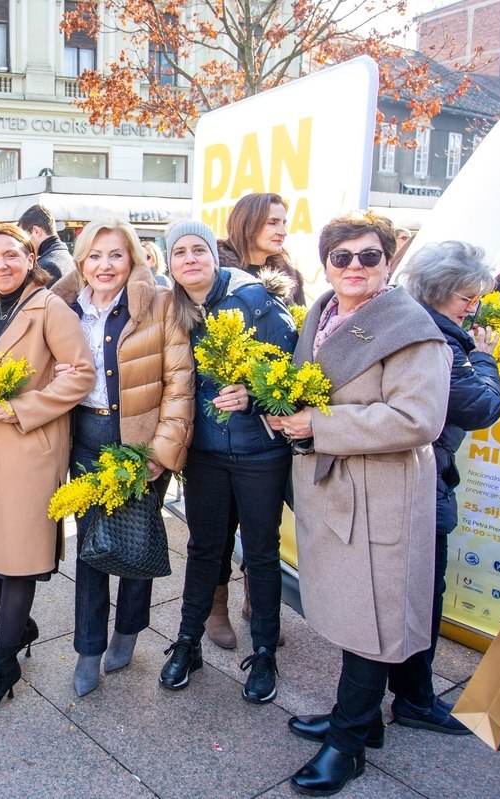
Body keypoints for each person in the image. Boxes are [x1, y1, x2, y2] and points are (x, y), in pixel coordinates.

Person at [267, 211, 452, 796]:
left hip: (382, 494)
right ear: (325, 263)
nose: (354, 267)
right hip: (334, 487)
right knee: (352, 612)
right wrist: (269, 402)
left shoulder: (409, 325)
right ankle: (363, 718)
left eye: (368, 256)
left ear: (388, 262)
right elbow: (310, 385)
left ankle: (347, 745)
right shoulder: (323, 312)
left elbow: (418, 418)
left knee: (373, 617)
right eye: (341, 256)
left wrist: (318, 424)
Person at [0, 223, 95, 715]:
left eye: (11, 255)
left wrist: (22, 407)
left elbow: (81, 373)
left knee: (18, 557)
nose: (1, 265)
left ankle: (2, 665)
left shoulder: (50, 307)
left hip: (29, 447)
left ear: (30, 257)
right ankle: (21, 629)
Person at [50, 219, 193, 697]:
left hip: (140, 440)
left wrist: (162, 451)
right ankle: (88, 650)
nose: (104, 265)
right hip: (86, 440)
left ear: (132, 258)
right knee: (92, 548)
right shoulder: (64, 306)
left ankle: (128, 632)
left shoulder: (161, 303)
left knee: (135, 543)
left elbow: (179, 380)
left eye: (115, 254)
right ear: (81, 261)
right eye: (94, 255)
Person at [159, 219, 297, 705]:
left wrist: (256, 398)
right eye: (179, 253)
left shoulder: (252, 299)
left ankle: (263, 653)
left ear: (215, 257)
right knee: (203, 549)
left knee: (259, 552)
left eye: (199, 250)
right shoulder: (173, 307)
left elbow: (295, 371)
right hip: (206, 455)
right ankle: (188, 641)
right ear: (170, 264)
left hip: (261, 453)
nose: (190, 259)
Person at [401, 242, 500, 703]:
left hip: (417, 476)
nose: (472, 308)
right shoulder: (441, 340)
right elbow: (481, 406)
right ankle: (416, 697)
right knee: (423, 593)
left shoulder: (414, 321)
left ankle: (401, 694)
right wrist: (485, 358)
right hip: (425, 481)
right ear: (440, 292)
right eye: (466, 298)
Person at [208, 192, 304, 649]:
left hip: (268, 426)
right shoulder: (216, 271)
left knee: (261, 524)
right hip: (219, 424)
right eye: (272, 221)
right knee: (217, 527)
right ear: (246, 223)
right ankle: (215, 608)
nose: (281, 229)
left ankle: (255, 599)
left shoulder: (290, 276)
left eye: (284, 221)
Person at [18, 204, 72, 283]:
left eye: (23, 236)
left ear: (36, 231)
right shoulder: (69, 258)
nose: (23, 242)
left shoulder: (48, 265)